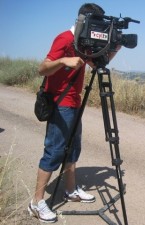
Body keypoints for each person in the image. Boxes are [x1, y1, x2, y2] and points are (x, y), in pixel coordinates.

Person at [28, 3, 120, 223]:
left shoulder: (83, 42)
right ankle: (36, 202)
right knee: (55, 151)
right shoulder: (65, 39)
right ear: (84, 21)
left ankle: (70, 190)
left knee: (73, 149)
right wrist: (63, 61)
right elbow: (43, 68)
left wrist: (115, 45)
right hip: (60, 103)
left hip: (74, 103)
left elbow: (99, 64)